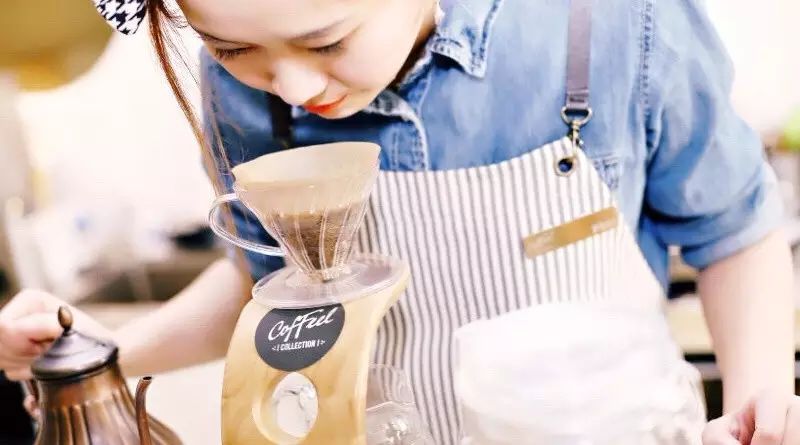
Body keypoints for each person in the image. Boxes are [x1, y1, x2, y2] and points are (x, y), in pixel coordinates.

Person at [1, 0, 798, 443]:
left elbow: (736, 234)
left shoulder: (610, 28)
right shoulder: (239, 95)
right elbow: (271, 290)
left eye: (326, 41)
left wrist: (759, 396)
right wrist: (97, 353)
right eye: (232, 49)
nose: (289, 86)